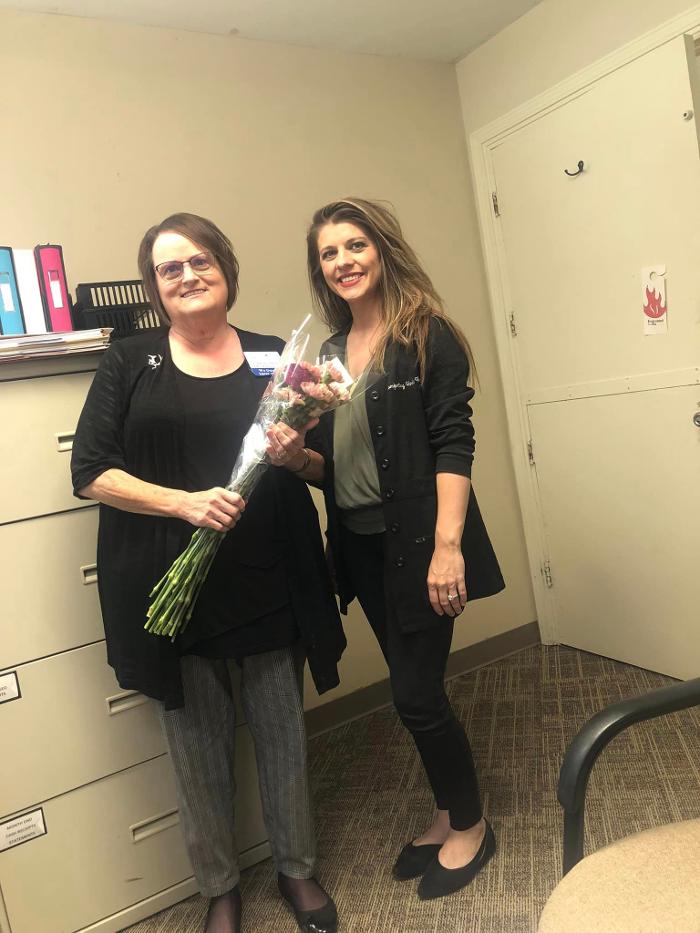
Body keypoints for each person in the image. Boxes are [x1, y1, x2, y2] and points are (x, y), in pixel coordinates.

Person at [70, 213, 345, 933]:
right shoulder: (129, 361)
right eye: (170, 268)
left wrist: (294, 456)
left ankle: (297, 869)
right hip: (178, 589)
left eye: (201, 261)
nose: (188, 276)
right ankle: (220, 886)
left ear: (226, 268)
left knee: (283, 741)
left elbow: (319, 468)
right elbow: (91, 470)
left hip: (270, 581)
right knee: (197, 754)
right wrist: (184, 503)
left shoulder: (271, 356)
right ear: (154, 286)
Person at [297, 197, 505, 902]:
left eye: (355, 245)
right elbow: (337, 466)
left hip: (419, 546)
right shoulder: (330, 355)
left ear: (382, 249)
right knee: (416, 690)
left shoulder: (426, 334)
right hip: (358, 549)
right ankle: (446, 811)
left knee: (416, 696)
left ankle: (471, 824)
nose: (343, 261)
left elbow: (453, 442)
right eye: (329, 253)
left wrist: (448, 549)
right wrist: (294, 458)